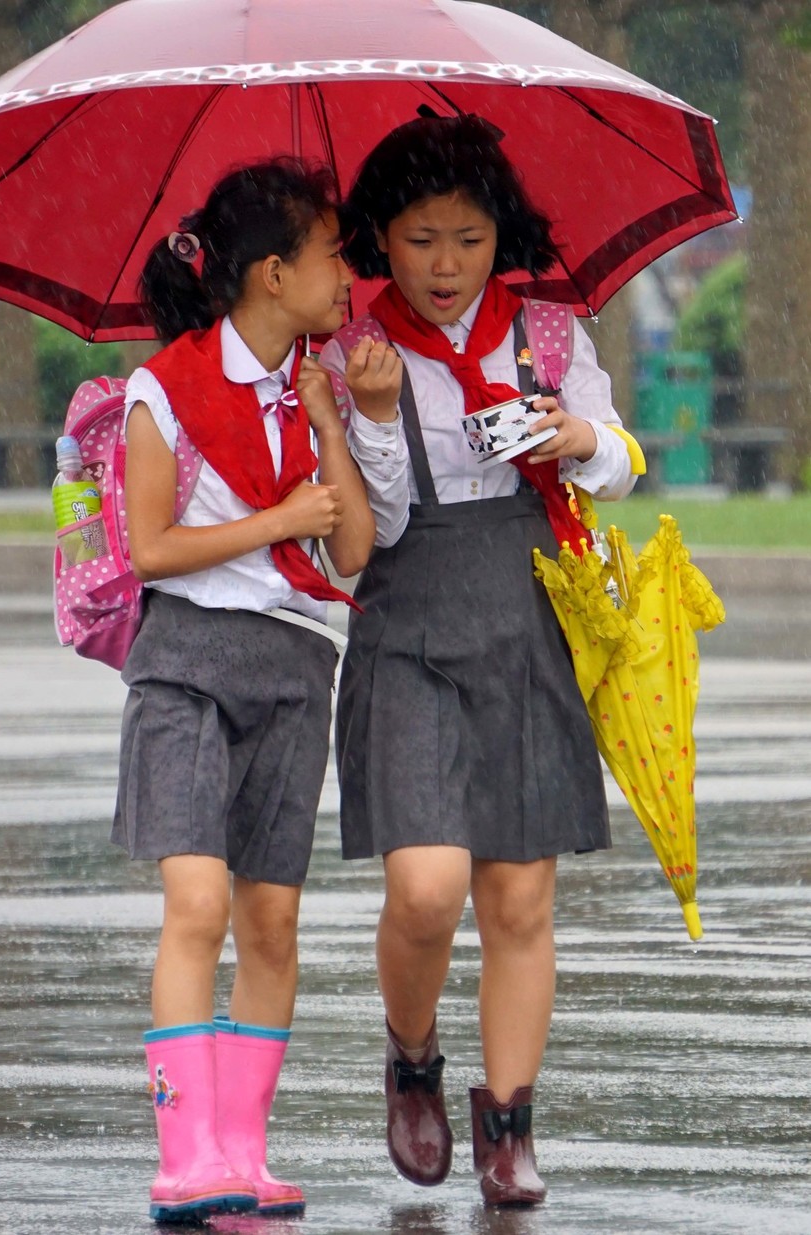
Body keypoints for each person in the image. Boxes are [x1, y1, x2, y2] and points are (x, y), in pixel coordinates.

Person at [319, 113, 639, 1208]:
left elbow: (626, 460)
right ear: (378, 240)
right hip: (405, 623)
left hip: (528, 619)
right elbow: (373, 529)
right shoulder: (350, 350)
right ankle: (412, 1057)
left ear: (501, 231)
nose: (445, 264)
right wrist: (367, 414)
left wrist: (579, 439)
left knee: (519, 895)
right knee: (427, 884)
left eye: (467, 235)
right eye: (418, 239)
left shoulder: (548, 337)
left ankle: (509, 1124)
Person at [111, 158, 374, 1224]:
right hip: (186, 662)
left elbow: (350, 546)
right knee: (199, 903)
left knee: (270, 920)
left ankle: (243, 1153)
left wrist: (330, 424)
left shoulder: (321, 380)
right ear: (272, 273)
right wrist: (275, 521)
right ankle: (186, 1156)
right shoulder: (163, 388)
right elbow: (151, 548)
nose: (349, 272)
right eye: (333, 253)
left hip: (298, 665)